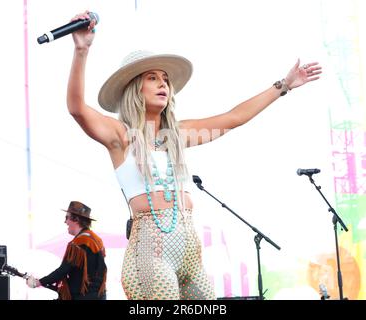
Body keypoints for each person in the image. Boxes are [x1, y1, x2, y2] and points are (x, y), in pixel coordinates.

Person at [65, 11, 322, 300]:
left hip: (189, 250)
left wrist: (283, 86)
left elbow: (233, 117)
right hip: (151, 253)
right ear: (135, 89)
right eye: (152, 78)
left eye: (165, 79)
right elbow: (77, 108)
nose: (163, 83)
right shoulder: (121, 136)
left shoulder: (178, 134)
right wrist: (81, 50)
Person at [26, 201, 107, 300]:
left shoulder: (80, 242)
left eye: (67, 217)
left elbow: (63, 270)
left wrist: (38, 282)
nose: (65, 222)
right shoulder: (96, 239)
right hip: (99, 296)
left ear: (76, 219)